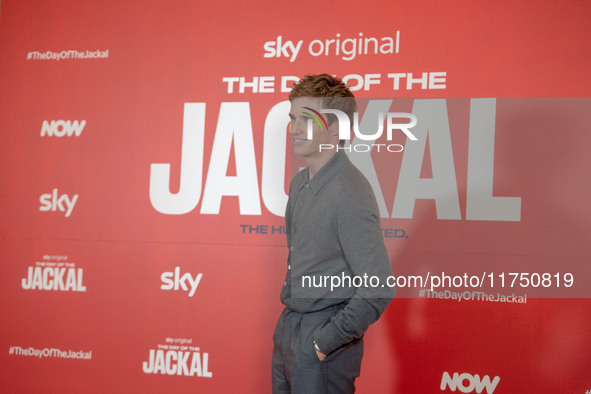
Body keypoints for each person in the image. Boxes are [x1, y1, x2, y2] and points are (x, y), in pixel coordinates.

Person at [272, 74, 395, 394]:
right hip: (289, 329)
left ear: (337, 127)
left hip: (321, 344)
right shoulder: (299, 183)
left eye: (307, 119)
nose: (294, 128)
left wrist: (323, 343)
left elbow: (378, 287)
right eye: (292, 118)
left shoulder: (350, 191)